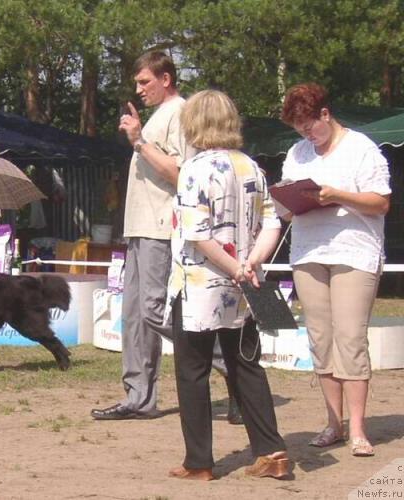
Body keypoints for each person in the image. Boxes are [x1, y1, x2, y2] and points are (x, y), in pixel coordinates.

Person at [90, 51, 242, 423]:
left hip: (162, 227)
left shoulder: (181, 112)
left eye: (145, 81)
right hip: (140, 228)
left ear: (166, 79)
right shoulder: (160, 115)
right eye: (138, 83)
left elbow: (182, 175)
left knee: (154, 309)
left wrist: (139, 141)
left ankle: (235, 369)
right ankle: (139, 397)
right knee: (135, 316)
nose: (139, 89)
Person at [166, 90, 290, 480]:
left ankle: (198, 462)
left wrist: (234, 266)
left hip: (200, 284)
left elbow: (197, 234)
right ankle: (272, 452)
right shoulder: (251, 167)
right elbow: (273, 222)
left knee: (193, 371)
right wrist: (251, 262)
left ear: (193, 124)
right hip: (249, 284)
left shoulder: (194, 169)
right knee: (247, 365)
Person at [279, 83, 390, 457]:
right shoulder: (297, 154)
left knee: (350, 338)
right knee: (320, 338)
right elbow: (286, 207)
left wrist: (337, 194)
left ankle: (359, 429)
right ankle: (333, 422)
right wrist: (288, 200)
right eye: (299, 129)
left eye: (309, 126)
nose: (306, 135)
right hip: (308, 252)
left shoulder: (361, 148)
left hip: (354, 253)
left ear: (325, 114)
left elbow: (380, 203)